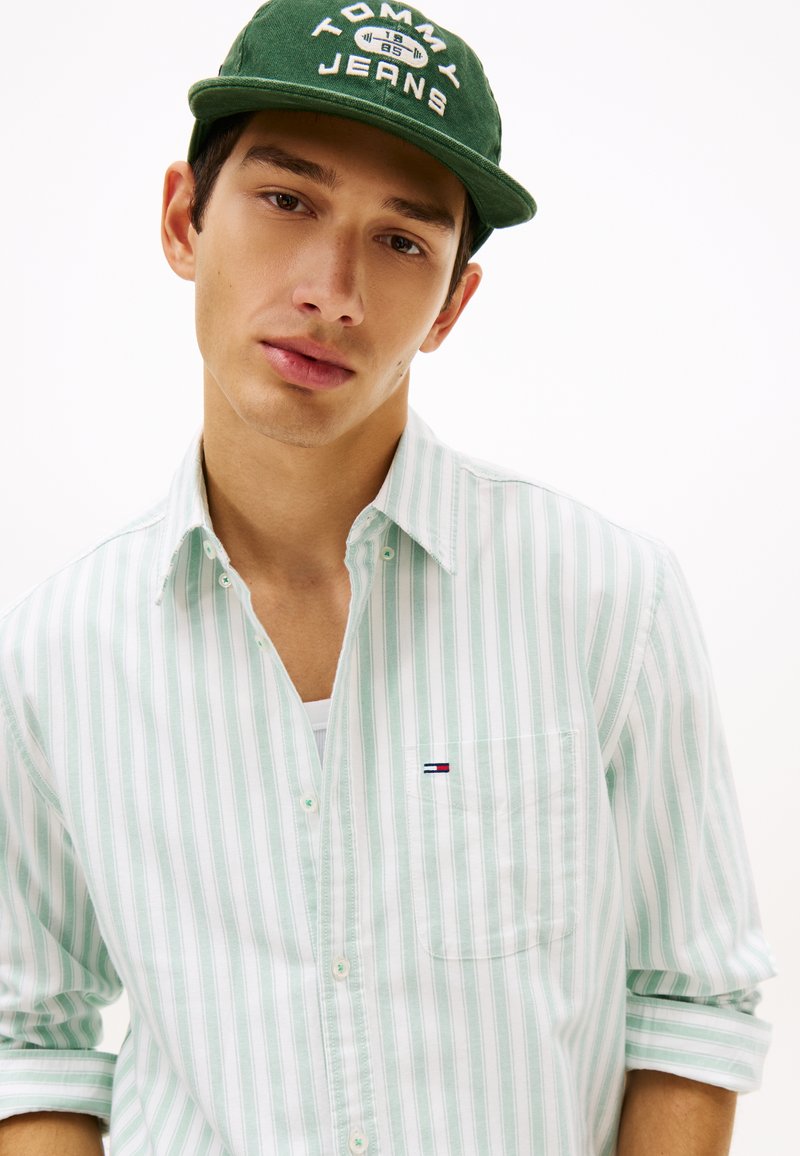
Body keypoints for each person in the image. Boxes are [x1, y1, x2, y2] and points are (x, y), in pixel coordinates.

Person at [0, 1, 775, 1153]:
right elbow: (29, 1038)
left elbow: (689, 1001)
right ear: (182, 220)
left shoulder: (607, 598)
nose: (332, 290)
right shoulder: (55, 652)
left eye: (402, 241)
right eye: (287, 200)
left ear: (453, 302)